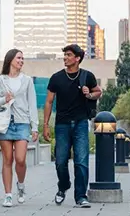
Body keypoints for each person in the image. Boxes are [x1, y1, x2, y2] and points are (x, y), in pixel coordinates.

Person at [43, 44, 102, 208]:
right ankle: (63, 186)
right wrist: (46, 125)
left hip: (81, 124)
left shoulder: (87, 76)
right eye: (65, 55)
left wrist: (89, 94)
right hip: (61, 125)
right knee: (60, 161)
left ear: (77, 58)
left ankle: (81, 196)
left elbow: (98, 91)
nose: (65, 58)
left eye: (69, 55)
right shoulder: (56, 78)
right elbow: (48, 102)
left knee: (81, 161)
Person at [0, 49, 39, 207]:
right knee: (7, 160)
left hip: (22, 123)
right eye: (19, 57)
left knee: (20, 159)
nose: (21, 60)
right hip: (4, 123)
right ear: (10, 59)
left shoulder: (27, 80)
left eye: (23, 58)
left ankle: (21, 184)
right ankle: (8, 195)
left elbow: (32, 104)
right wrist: (4, 99)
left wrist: (35, 127)